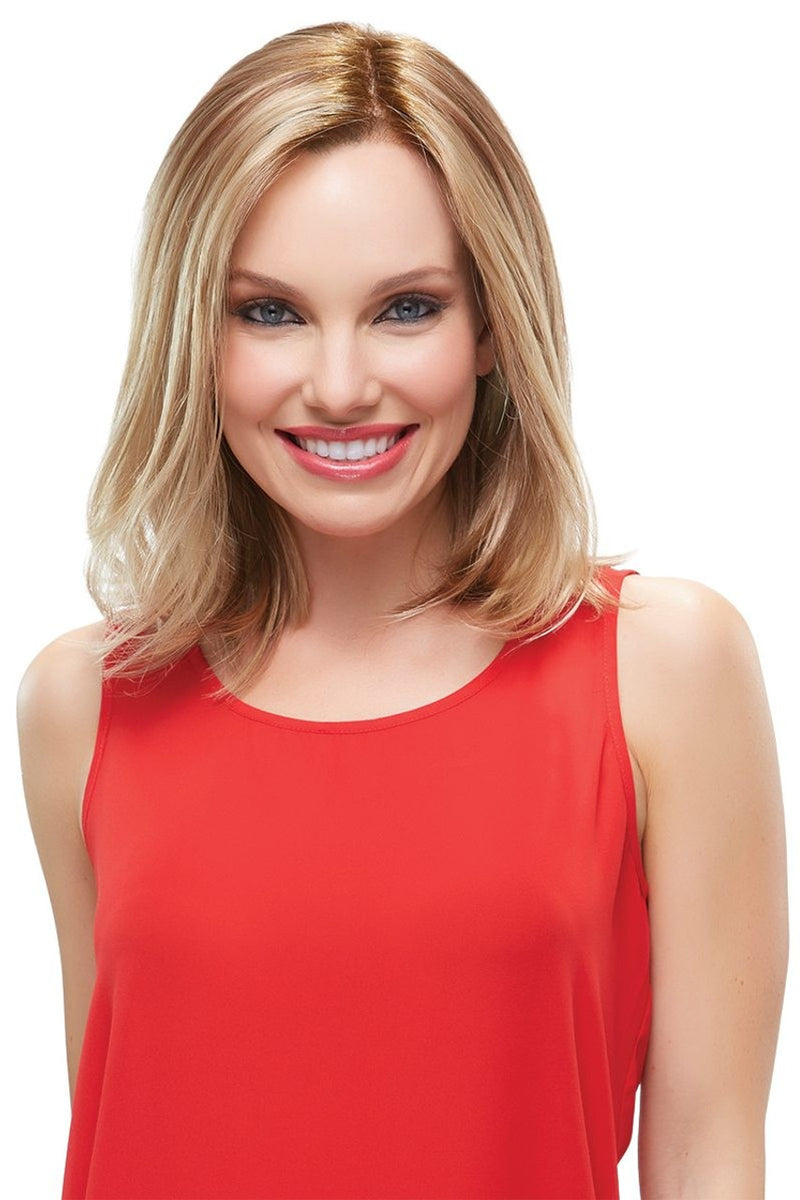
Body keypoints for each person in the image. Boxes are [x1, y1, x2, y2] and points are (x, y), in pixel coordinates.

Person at [16, 20, 787, 1200]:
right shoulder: (84, 704)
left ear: (490, 327)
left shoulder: (662, 671)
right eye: (269, 312)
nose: (338, 385)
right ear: (193, 338)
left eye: (406, 308)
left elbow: (707, 1160)